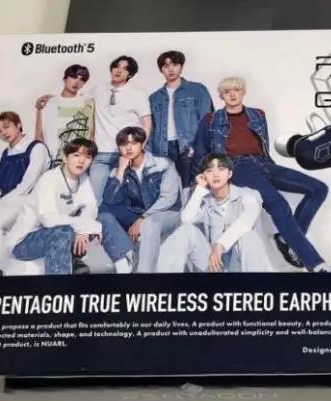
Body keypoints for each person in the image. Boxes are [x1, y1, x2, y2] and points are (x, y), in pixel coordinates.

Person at [191, 76, 329, 271]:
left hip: (263, 163)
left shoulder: (258, 115)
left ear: (243, 92)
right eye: (227, 91)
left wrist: (266, 165)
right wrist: (203, 181)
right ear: (221, 96)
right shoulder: (210, 120)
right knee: (279, 204)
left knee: (319, 189)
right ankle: (315, 264)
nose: (232, 94)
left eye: (236, 90)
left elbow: (263, 145)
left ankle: (287, 240)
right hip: (238, 167)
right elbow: (200, 152)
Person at [6, 138, 101, 275]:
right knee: (64, 231)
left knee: (103, 220)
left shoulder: (83, 179)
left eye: (88, 157)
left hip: (58, 232)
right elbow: (48, 220)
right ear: (65, 158)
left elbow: (91, 209)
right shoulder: (49, 178)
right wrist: (82, 227)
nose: (82, 161)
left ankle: (75, 259)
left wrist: (83, 231)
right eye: (76, 155)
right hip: (24, 242)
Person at [156, 154, 263, 273]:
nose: (215, 174)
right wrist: (199, 189)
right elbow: (186, 220)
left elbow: (247, 219)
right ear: (204, 176)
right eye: (209, 170)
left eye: (221, 169)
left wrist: (220, 244)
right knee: (186, 230)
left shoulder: (248, 195)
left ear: (230, 174)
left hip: (239, 266)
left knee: (247, 236)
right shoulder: (205, 200)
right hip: (214, 266)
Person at [98, 126, 181, 274]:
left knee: (150, 222)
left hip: (166, 214)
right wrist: (121, 171)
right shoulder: (118, 170)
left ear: (143, 144)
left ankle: (144, 274)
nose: (129, 148)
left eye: (134, 143)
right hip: (138, 213)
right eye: (124, 144)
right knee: (103, 212)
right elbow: (110, 201)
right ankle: (125, 257)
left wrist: (143, 218)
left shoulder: (162, 165)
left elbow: (168, 199)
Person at [0, 111, 48, 276]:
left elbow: (27, 184)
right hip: (9, 203)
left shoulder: (37, 148)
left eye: (6, 126)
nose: (3, 133)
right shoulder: (4, 154)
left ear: (18, 124)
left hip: (30, 200)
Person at [89, 55, 151, 200]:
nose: (119, 70)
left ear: (130, 74)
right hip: (101, 154)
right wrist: (51, 98)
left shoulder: (138, 93)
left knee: (125, 198)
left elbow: (147, 124)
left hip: (126, 153)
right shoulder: (98, 89)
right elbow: (77, 99)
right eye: (117, 66)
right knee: (94, 199)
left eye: (125, 69)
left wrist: (138, 150)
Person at [147, 50, 212, 187]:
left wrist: (198, 147)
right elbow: (151, 128)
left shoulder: (197, 90)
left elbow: (207, 121)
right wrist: (150, 154)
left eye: (175, 64)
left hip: (188, 147)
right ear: (161, 70)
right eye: (166, 66)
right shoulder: (154, 97)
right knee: (167, 189)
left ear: (181, 67)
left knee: (190, 187)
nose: (170, 69)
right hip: (162, 149)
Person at [33, 64, 95, 164]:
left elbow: (91, 133)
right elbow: (39, 135)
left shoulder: (88, 103)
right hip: (52, 160)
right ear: (65, 79)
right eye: (73, 77)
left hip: (78, 161)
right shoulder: (48, 103)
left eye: (82, 79)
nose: (77, 82)